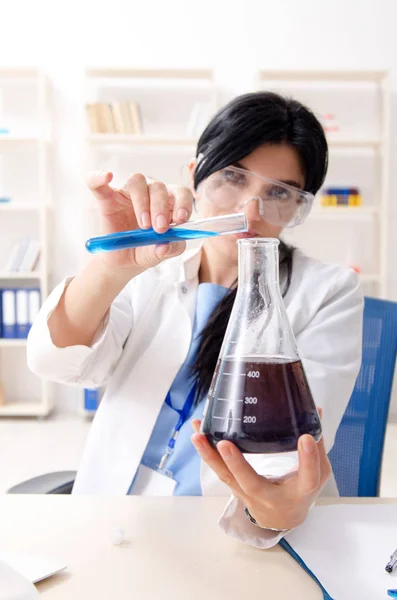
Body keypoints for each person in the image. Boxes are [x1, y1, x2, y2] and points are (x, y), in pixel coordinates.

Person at [27, 91, 363, 549]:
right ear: (195, 175)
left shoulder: (328, 292)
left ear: (299, 207)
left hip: (230, 536)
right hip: (113, 521)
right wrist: (111, 268)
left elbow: (286, 463)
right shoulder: (152, 269)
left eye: (279, 192)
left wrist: (269, 513)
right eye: (232, 176)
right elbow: (56, 362)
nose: (250, 211)